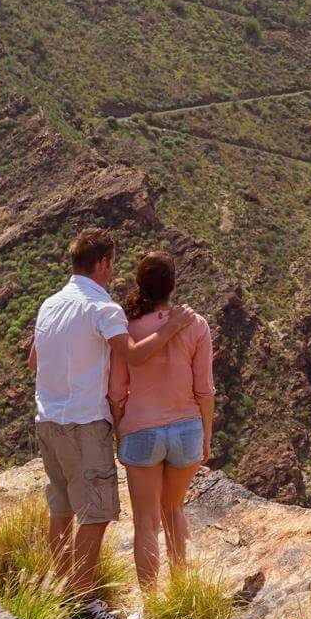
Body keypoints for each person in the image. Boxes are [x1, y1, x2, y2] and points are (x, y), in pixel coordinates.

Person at [29, 228, 195, 619]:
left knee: (62, 509)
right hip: (83, 422)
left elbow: (35, 360)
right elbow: (134, 356)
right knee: (97, 513)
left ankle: (64, 591)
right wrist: (172, 328)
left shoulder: (50, 304)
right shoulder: (102, 307)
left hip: (48, 419)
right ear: (102, 263)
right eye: (112, 262)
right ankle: (82, 604)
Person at [108, 251, 215, 596]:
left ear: (141, 285)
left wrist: (121, 428)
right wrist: (207, 436)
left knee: (145, 523)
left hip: (141, 430)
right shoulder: (195, 324)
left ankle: (152, 606)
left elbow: (116, 392)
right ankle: (181, 596)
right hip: (187, 430)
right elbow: (205, 390)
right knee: (173, 510)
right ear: (174, 285)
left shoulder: (126, 327)